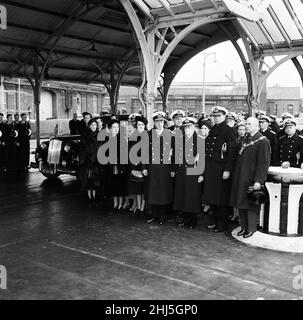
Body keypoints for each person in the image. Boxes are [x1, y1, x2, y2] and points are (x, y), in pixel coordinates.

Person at [230, 117, 271, 238]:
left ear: (256, 125)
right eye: (246, 123)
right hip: (241, 176)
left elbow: (263, 163)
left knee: (251, 204)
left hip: (251, 178)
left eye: (249, 124)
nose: (246, 126)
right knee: (241, 203)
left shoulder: (263, 141)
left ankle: (251, 228)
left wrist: (259, 180)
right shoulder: (245, 138)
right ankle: (243, 227)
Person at [204, 106, 237, 232]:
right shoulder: (214, 129)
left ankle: (222, 224)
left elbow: (232, 152)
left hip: (221, 169)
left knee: (221, 199)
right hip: (212, 168)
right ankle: (215, 220)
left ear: (224, 116)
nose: (216, 118)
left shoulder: (229, 130)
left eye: (219, 116)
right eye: (215, 116)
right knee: (213, 197)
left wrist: (228, 170)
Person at [143, 111, 174, 225]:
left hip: (165, 168)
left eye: (161, 121)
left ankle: (162, 217)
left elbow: (174, 154)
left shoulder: (170, 135)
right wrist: (144, 167)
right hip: (152, 168)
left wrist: (173, 169)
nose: (159, 123)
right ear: (154, 122)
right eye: (157, 121)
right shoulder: (148, 134)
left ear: (164, 122)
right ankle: (153, 215)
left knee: (163, 193)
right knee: (153, 193)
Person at [172, 117, 204, 228]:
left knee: (192, 196)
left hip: (193, 171)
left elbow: (201, 159)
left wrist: (201, 174)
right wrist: (175, 170)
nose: (187, 129)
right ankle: (185, 219)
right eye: (185, 127)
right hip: (182, 171)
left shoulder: (199, 139)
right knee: (183, 195)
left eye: (189, 127)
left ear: (194, 127)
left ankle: (192, 221)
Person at [106, 119, 128, 213]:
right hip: (111, 166)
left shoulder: (122, 139)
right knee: (113, 185)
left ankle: (120, 203)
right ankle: (115, 203)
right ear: (110, 129)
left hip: (120, 166)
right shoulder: (107, 139)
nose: (116, 129)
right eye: (114, 127)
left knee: (120, 185)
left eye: (117, 127)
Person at [127, 116, 148, 215]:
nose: (140, 126)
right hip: (135, 165)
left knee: (143, 188)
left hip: (144, 166)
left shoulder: (147, 136)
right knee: (136, 188)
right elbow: (129, 151)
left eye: (142, 125)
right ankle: (138, 206)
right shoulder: (133, 137)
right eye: (138, 124)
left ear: (144, 126)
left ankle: (143, 207)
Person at [79, 118, 99, 205]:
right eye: (92, 125)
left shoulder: (99, 135)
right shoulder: (85, 136)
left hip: (97, 161)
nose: (94, 127)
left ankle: (94, 196)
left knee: (95, 180)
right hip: (88, 161)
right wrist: (83, 160)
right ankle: (89, 196)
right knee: (88, 179)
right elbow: (83, 149)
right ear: (89, 126)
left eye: (95, 125)